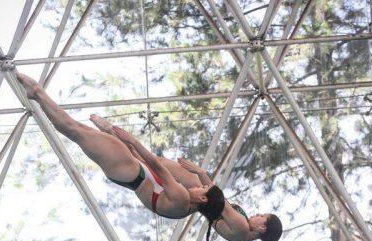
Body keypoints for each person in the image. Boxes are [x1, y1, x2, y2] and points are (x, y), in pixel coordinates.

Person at [16, 72, 225, 226]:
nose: (199, 186)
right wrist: (114, 134)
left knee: (76, 130)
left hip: (131, 171)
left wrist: (131, 141)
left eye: (203, 188)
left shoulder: (182, 198)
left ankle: (36, 92)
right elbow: (153, 174)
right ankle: (37, 94)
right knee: (79, 131)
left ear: (203, 198)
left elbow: (156, 166)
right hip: (133, 171)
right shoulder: (184, 208)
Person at [89, 114, 283, 241]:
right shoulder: (243, 233)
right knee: (151, 164)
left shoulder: (242, 228)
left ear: (262, 227)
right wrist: (200, 174)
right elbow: (215, 197)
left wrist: (200, 173)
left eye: (262, 216)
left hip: (192, 202)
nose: (257, 214)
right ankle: (115, 137)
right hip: (197, 202)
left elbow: (218, 200)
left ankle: (114, 136)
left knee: (150, 164)